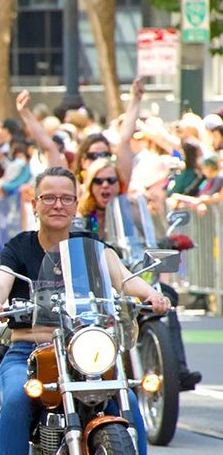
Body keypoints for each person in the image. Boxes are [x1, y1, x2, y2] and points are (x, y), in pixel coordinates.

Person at [0, 166, 175, 455]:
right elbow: (0, 283)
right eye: (49, 197)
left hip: (84, 354)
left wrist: (152, 296)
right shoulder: (19, 247)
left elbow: (125, 279)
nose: (58, 205)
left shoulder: (92, 249)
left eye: (66, 198)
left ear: (75, 203)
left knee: (125, 401)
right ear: (35, 204)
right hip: (28, 353)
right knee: (20, 397)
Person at [77, 157, 202, 391]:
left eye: (111, 180)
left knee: (166, 297)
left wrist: (169, 241)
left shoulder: (131, 209)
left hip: (133, 276)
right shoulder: (84, 216)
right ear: (91, 185)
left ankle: (178, 367)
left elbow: (151, 237)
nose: (105, 186)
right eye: (99, 181)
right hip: (100, 284)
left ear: (119, 184)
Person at [16, 78, 144, 185]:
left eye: (105, 155)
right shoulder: (73, 188)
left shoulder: (117, 184)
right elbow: (49, 147)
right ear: (83, 161)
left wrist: (135, 100)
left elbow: (124, 140)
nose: (99, 160)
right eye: (93, 156)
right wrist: (25, 113)